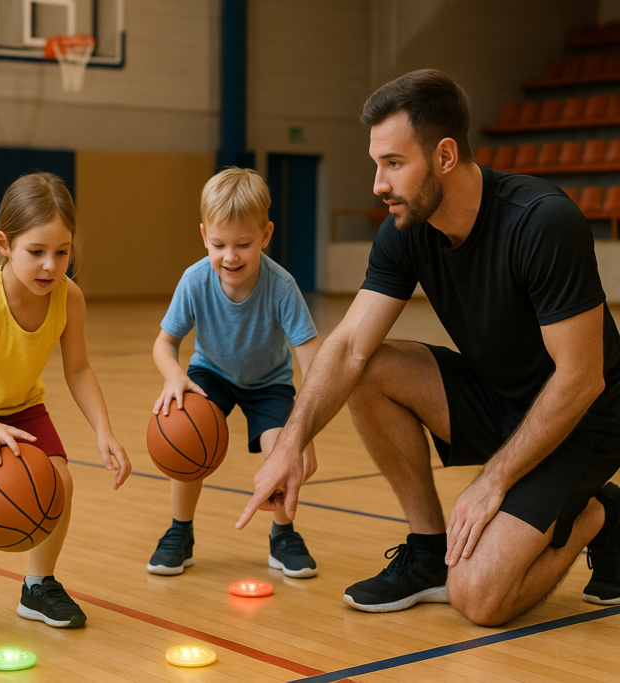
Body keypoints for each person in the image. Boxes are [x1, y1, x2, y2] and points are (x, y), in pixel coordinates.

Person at [238, 69, 620, 626]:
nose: (378, 183)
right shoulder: (406, 230)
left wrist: (494, 480)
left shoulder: (542, 222)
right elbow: (346, 349)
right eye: (377, 164)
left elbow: (582, 379)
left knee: (479, 600)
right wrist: (291, 443)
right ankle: (425, 550)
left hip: (584, 419)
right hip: (502, 399)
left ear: (444, 155)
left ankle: (600, 514)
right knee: (368, 367)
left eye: (393, 163)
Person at [0, 171, 131, 647]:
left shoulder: (68, 297)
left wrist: (104, 429)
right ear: (5, 244)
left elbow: (78, 370)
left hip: (22, 404)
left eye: (63, 251)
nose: (50, 265)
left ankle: (38, 586)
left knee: (61, 481)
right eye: (37, 251)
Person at [148, 167, 321, 578]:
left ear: (265, 235)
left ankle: (283, 536)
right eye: (219, 244)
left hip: (270, 382)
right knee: (186, 439)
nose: (230, 256)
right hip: (209, 374)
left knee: (282, 448)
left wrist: (305, 431)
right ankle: (180, 532)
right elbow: (163, 343)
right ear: (204, 234)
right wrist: (174, 376)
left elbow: (312, 358)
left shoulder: (282, 286)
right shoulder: (194, 280)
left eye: (243, 244)